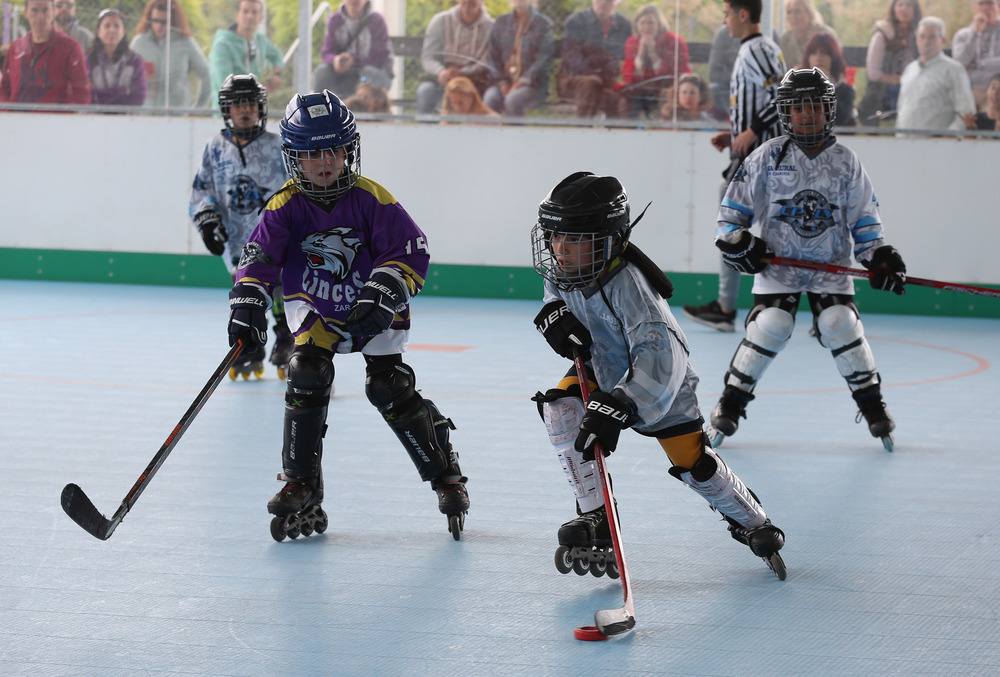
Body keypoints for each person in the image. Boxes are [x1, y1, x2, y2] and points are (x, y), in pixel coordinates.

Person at [227, 89, 470, 542]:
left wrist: (383, 293)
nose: (323, 161)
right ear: (294, 157)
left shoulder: (371, 198)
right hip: (315, 304)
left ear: (348, 150)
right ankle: (301, 481)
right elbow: (258, 257)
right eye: (311, 152)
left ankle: (444, 468)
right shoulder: (284, 204)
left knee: (388, 387)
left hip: (370, 304)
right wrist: (247, 301)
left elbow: (411, 250)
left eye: (333, 149)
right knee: (306, 374)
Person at [529, 171, 786, 581]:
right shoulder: (567, 269)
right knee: (561, 410)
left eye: (574, 239)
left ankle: (755, 522)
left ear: (608, 240)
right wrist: (553, 314)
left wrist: (623, 403)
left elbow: (660, 358)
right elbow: (556, 294)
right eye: (555, 237)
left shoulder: (631, 286)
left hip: (658, 387)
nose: (559, 249)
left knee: (693, 463)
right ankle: (596, 515)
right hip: (601, 369)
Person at [705, 68, 907, 453]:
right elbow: (730, 216)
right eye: (798, 108)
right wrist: (742, 245)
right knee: (772, 324)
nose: (807, 114)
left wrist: (878, 257)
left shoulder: (846, 162)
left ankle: (873, 407)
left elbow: (865, 220)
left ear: (828, 109)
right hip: (777, 269)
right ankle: (729, 405)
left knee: (839, 323)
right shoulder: (767, 156)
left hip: (829, 271)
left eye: (814, 106)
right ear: (785, 113)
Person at [682, 0, 785, 333]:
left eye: (727, 14)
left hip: (760, 160)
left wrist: (752, 131)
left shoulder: (759, 50)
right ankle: (729, 305)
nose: (724, 20)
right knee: (735, 227)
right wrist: (736, 133)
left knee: (730, 226)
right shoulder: (751, 50)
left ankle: (730, 306)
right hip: (751, 155)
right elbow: (762, 100)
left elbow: (782, 96)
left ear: (743, 15)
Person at [190, 74, 289, 380]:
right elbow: (202, 189)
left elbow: (296, 185)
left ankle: (287, 340)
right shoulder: (215, 147)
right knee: (247, 293)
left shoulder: (279, 146)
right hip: (237, 239)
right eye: (237, 105)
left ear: (261, 108)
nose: (244, 110)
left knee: (283, 289)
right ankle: (250, 346)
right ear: (226, 110)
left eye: (250, 104)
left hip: (276, 235)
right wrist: (207, 219)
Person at [0, 0, 90, 104]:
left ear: (53, 12)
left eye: (45, 10)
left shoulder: (70, 47)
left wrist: (66, 117)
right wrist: (8, 113)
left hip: (54, 118)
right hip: (17, 117)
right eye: (34, 10)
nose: (40, 16)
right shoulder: (15, 48)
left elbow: (81, 92)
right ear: (26, 13)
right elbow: (4, 88)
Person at [896, 16, 976, 133]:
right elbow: (901, 107)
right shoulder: (910, 69)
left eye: (932, 37)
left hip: (936, 145)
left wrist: (947, 138)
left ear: (942, 40)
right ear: (917, 39)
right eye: (922, 36)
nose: (926, 41)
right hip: (904, 142)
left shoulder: (953, 70)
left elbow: (966, 111)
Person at [556, 0, 631, 119]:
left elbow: (622, 56)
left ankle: (617, 133)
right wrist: (597, 73)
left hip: (607, 78)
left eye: (608, 1)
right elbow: (571, 57)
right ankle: (584, 131)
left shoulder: (623, 25)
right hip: (572, 78)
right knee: (591, 82)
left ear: (617, 5)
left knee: (624, 95)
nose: (603, 3)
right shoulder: (576, 21)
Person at [416, 0, 494, 115]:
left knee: (489, 97)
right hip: (442, 78)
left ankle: (477, 130)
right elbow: (428, 57)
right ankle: (428, 131)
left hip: (475, 79)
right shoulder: (440, 21)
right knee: (425, 92)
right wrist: (441, 72)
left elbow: (486, 61)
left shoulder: (491, 26)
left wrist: (463, 72)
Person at [130, 0, 211, 108]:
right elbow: (124, 77)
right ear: (149, 19)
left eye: (164, 22)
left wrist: (198, 109)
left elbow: (207, 75)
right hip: (146, 116)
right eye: (155, 20)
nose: (159, 26)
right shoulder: (139, 43)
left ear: (173, 21)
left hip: (177, 116)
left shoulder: (185, 43)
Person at [483, 0, 554, 117]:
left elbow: (542, 60)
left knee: (513, 101)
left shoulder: (543, 24)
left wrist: (521, 83)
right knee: (490, 99)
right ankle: (492, 135)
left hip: (532, 86)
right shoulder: (501, 23)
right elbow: (493, 57)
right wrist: (502, 83)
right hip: (504, 83)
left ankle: (516, 134)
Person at [621, 4, 691, 119]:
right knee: (624, 100)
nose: (646, 27)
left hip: (666, 88)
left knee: (666, 97)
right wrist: (640, 54)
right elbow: (629, 77)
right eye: (642, 22)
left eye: (650, 23)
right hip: (640, 89)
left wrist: (653, 54)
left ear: (659, 24)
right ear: (637, 25)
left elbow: (675, 75)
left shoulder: (674, 41)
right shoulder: (632, 41)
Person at [857, 0, 920, 126]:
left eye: (909, 5)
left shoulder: (921, 33)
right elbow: (873, 73)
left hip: (916, 86)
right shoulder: (883, 33)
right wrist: (899, 80)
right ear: (893, 9)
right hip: (886, 90)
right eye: (900, 5)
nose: (904, 9)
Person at [313, 0, 393, 98]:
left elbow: (380, 58)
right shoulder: (335, 20)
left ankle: (364, 111)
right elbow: (327, 52)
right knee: (322, 71)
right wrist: (335, 60)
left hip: (375, 77)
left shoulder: (377, 21)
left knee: (368, 74)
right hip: (345, 76)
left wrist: (353, 61)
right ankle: (320, 109)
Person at [209, 0, 283, 102]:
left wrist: (277, 74)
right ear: (237, 15)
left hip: (254, 110)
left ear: (260, 18)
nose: (250, 16)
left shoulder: (260, 41)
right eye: (245, 11)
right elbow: (226, 84)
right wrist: (261, 88)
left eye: (254, 12)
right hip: (226, 112)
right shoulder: (222, 44)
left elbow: (276, 54)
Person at [87, 8, 146, 106]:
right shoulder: (88, 61)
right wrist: (122, 91)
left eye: (116, 26)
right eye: (107, 26)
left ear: (123, 32)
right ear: (98, 32)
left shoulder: (135, 61)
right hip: (95, 118)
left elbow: (139, 98)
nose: (112, 30)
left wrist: (100, 94)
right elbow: (87, 97)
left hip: (126, 119)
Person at [952, 0, 1000, 111]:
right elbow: (959, 64)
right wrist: (976, 33)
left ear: (998, 6)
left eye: (989, 3)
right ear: (974, 7)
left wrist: (977, 64)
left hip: (996, 92)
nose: (986, 8)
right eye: (981, 3)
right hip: (967, 90)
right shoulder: (963, 35)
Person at [801, 31, 855, 126]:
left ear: (833, 58)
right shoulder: (797, 88)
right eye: (813, 53)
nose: (818, 58)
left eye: (824, 53)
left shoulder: (846, 90)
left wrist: (825, 85)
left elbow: (841, 120)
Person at [779, 0, 837, 72]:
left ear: (809, 13)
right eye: (789, 12)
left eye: (798, 11)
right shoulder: (786, 39)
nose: (793, 16)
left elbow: (837, 65)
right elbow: (782, 68)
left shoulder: (825, 35)